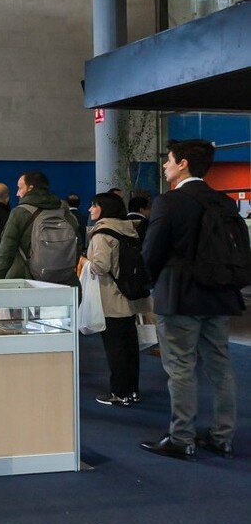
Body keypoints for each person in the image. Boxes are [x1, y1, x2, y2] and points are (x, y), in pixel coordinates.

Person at [140, 139, 244, 461]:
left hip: (180, 295)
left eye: (169, 160)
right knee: (221, 367)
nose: (165, 165)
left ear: (183, 163)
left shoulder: (170, 202)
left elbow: (152, 250)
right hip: (220, 294)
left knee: (181, 368)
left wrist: (147, 283)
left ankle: (182, 438)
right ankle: (223, 437)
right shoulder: (224, 202)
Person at [86, 192, 151, 407]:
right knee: (130, 347)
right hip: (130, 295)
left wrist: (85, 263)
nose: (90, 209)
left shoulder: (102, 233)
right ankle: (132, 390)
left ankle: (119, 392)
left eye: (94, 205)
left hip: (111, 298)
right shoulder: (129, 229)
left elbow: (101, 266)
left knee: (115, 348)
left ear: (104, 208)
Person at [0, 170, 81, 286]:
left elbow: (6, 249)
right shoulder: (66, 214)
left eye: (20, 188)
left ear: (30, 188)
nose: (17, 193)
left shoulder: (19, 213)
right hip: (64, 283)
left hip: (27, 281)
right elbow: (77, 247)